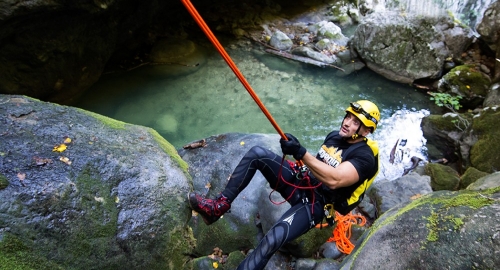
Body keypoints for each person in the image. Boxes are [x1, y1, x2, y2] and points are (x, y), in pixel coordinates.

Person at [188, 100, 381, 270]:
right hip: (302, 182)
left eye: (356, 122)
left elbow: (335, 179)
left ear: (366, 131)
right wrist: (296, 151)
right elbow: (320, 163)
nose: (347, 122)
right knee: (257, 154)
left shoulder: (364, 158)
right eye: (348, 116)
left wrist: (301, 153)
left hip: (316, 204)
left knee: (272, 239)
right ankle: (218, 206)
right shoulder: (334, 136)